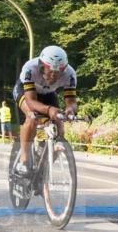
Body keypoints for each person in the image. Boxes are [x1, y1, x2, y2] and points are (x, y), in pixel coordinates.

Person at [12, 45, 78, 176]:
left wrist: (70, 110)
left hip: (48, 93)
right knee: (32, 117)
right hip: (27, 92)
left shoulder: (70, 74)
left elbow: (71, 102)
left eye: (57, 73)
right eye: (50, 71)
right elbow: (31, 101)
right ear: (42, 66)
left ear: (64, 70)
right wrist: (48, 109)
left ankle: (43, 168)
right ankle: (24, 160)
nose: (53, 76)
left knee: (60, 126)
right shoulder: (30, 69)